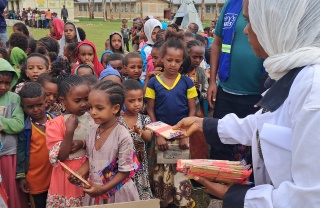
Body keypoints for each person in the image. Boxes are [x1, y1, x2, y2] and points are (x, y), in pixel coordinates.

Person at [173, 0, 320, 207]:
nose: (245, 31)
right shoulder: (291, 74)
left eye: (251, 21)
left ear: (275, 24)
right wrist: (204, 125)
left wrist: (236, 196)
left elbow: (309, 199)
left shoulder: (313, 91)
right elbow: (263, 124)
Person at [206, 1, 265, 206]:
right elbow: (217, 43)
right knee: (220, 143)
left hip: (258, 94)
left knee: (254, 147)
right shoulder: (231, 5)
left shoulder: (270, 6)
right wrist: (213, 81)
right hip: (227, 89)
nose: (248, 29)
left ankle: (250, 196)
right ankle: (217, 196)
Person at [145, 30, 197, 207]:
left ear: (182, 61)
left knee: (180, 171)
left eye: (177, 61)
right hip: (160, 136)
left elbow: (192, 110)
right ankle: (164, 201)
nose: (173, 64)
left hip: (181, 134)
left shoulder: (187, 82)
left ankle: (181, 201)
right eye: (169, 60)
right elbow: (150, 110)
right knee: (161, 172)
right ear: (161, 59)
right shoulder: (153, 83)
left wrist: (184, 134)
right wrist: (158, 133)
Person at [69, 81, 140, 205]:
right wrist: (79, 174)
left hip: (118, 194)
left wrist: (102, 189)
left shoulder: (122, 135)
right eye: (90, 107)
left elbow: (125, 171)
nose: (93, 112)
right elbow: (90, 158)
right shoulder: (92, 131)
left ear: (115, 108)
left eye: (99, 108)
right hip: (95, 190)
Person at [46, 75, 94, 207]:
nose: (84, 104)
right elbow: (61, 156)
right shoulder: (55, 124)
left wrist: (82, 143)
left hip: (89, 171)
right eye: (78, 100)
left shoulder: (93, 118)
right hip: (67, 176)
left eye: (86, 99)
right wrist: (69, 131)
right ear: (63, 101)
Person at [16, 83, 54, 208]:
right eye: (30, 107)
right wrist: (21, 177)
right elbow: (21, 154)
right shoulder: (25, 129)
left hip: (55, 177)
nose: (36, 110)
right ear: (23, 107)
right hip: (35, 180)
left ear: (46, 102)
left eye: (39, 105)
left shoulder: (56, 121)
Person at [118, 79, 153, 200]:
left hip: (141, 165)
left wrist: (141, 132)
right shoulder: (118, 120)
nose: (137, 104)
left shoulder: (145, 119)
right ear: (123, 101)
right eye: (131, 101)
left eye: (140, 100)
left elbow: (149, 137)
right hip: (123, 165)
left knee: (142, 192)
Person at [0, 58, 26, 208]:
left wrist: (1, 123)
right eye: (0, 82)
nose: (3, 86)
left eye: (7, 83)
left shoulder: (14, 98)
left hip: (8, 153)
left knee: (8, 188)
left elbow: (18, 125)